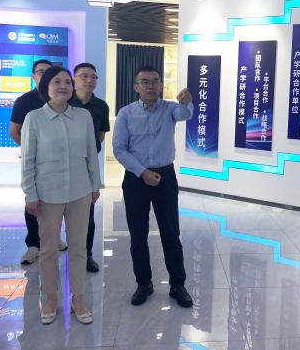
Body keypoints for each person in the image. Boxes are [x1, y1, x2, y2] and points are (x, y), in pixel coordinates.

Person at [21, 66, 100, 325]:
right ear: (46, 86)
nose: (63, 86)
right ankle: (51, 298)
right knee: (48, 249)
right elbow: (28, 160)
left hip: (80, 191)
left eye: (67, 82)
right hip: (48, 193)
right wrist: (30, 193)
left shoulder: (83, 116)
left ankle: (78, 298)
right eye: (56, 81)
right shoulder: (34, 118)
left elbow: (91, 154)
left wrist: (94, 186)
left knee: (78, 247)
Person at [112, 66, 194, 308]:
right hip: (136, 179)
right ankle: (144, 283)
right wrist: (142, 172)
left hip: (165, 177)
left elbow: (185, 114)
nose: (150, 85)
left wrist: (187, 101)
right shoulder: (126, 113)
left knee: (171, 234)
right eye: (145, 81)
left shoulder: (170, 109)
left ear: (161, 85)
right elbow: (119, 149)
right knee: (138, 236)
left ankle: (177, 285)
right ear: (136, 86)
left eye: (155, 81)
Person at [9, 59, 67, 264]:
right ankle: (33, 244)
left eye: (49, 72)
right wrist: (32, 151)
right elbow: (14, 131)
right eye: (41, 72)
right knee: (33, 201)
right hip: (35, 162)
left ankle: (53, 237)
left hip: (61, 163)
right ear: (33, 76)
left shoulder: (63, 99)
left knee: (57, 201)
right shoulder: (25, 101)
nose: (45, 75)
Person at [69, 62, 110, 273]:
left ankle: (86, 255)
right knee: (55, 214)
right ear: (74, 79)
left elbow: (100, 136)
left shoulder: (101, 106)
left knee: (87, 215)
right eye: (84, 76)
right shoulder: (65, 102)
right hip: (62, 166)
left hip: (86, 166)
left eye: (93, 76)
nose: (89, 80)